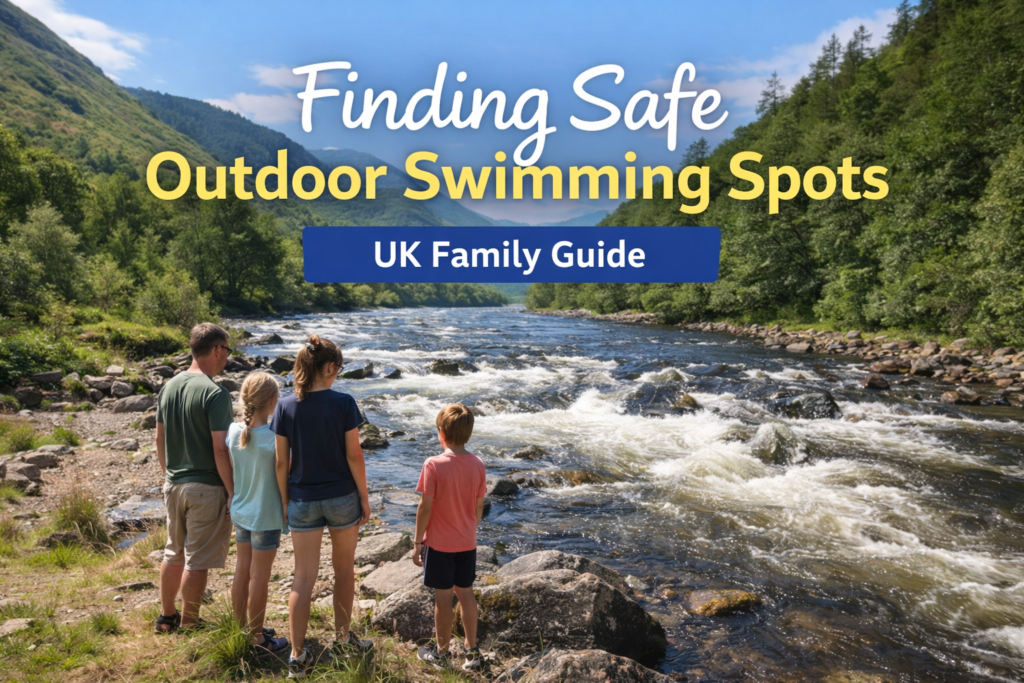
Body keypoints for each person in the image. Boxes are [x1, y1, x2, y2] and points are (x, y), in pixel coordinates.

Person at [271, 334, 373, 679]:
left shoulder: (285, 406)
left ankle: (298, 656)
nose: (338, 376)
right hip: (342, 496)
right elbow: (354, 455)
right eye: (338, 370)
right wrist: (364, 495)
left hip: (301, 499)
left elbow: (281, 462)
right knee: (344, 570)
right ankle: (343, 640)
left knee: (303, 576)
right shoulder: (344, 404)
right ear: (329, 367)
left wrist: (284, 500)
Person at [154, 323, 235, 634]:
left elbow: (159, 439)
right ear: (216, 349)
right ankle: (190, 623)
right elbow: (219, 448)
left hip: (173, 484)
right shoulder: (215, 393)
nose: (227, 356)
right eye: (227, 350)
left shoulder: (169, 387)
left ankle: (166, 616)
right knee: (197, 560)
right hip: (207, 488)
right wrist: (233, 491)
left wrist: (168, 476)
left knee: (173, 552)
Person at [413, 404, 487, 671]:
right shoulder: (477, 465)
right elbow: (479, 506)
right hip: (467, 543)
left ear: (441, 433)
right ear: (468, 434)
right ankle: (472, 653)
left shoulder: (433, 464)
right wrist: (469, 528)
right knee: (466, 594)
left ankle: (442, 654)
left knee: (443, 599)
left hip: (440, 545)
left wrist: (417, 541)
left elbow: (425, 506)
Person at [228, 372, 289, 657]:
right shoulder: (275, 437)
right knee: (260, 577)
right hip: (265, 514)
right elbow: (283, 472)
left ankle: (241, 628)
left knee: (242, 570)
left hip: (241, 510)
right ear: (272, 401)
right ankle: (257, 640)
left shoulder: (232, 431)